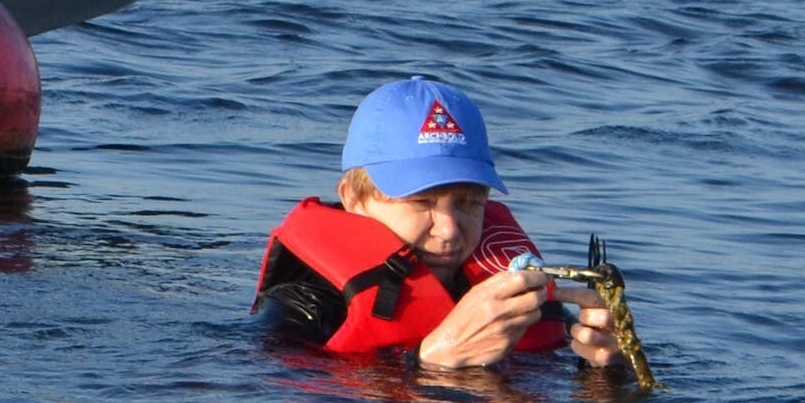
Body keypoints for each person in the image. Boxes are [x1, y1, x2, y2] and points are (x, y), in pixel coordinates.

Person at [250, 75, 633, 372]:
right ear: (353, 198)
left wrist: (603, 368)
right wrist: (431, 360)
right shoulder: (303, 309)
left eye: (468, 203)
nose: (448, 230)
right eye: (421, 202)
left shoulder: (518, 301)